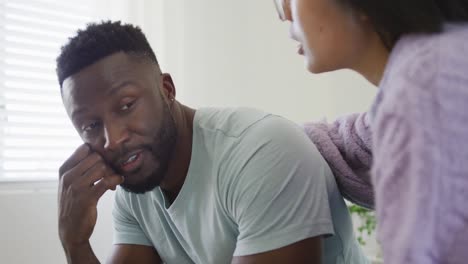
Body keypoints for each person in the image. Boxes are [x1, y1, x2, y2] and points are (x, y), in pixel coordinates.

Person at [56, 21, 368, 264]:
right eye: (91, 125)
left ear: (167, 88)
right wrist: (75, 243)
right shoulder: (136, 187)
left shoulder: (263, 152)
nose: (114, 139)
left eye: (126, 105)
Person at [273, 0, 468, 263]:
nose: (285, 14)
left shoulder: (423, 86)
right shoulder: (440, 61)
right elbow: (359, 143)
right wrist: (271, 140)